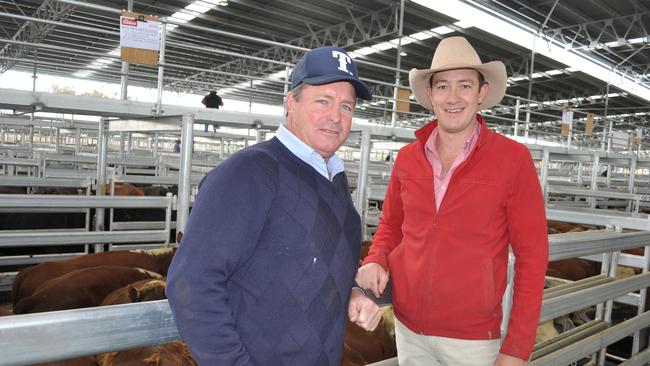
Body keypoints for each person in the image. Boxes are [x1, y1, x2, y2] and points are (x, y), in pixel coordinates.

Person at [166, 46, 382, 366]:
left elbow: (313, 264)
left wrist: (350, 293)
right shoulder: (248, 173)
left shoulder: (334, 180)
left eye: (346, 106)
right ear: (290, 103)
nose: (335, 116)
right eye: (322, 101)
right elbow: (191, 283)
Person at [355, 36, 549, 366]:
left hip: (472, 340)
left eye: (464, 85)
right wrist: (376, 259)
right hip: (408, 331)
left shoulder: (513, 160)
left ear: (481, 93)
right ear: (430, 96)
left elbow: (533, 256)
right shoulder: (407, 159)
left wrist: (516, 348)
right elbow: (391, 226)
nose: (454, 97)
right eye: (443, 86)